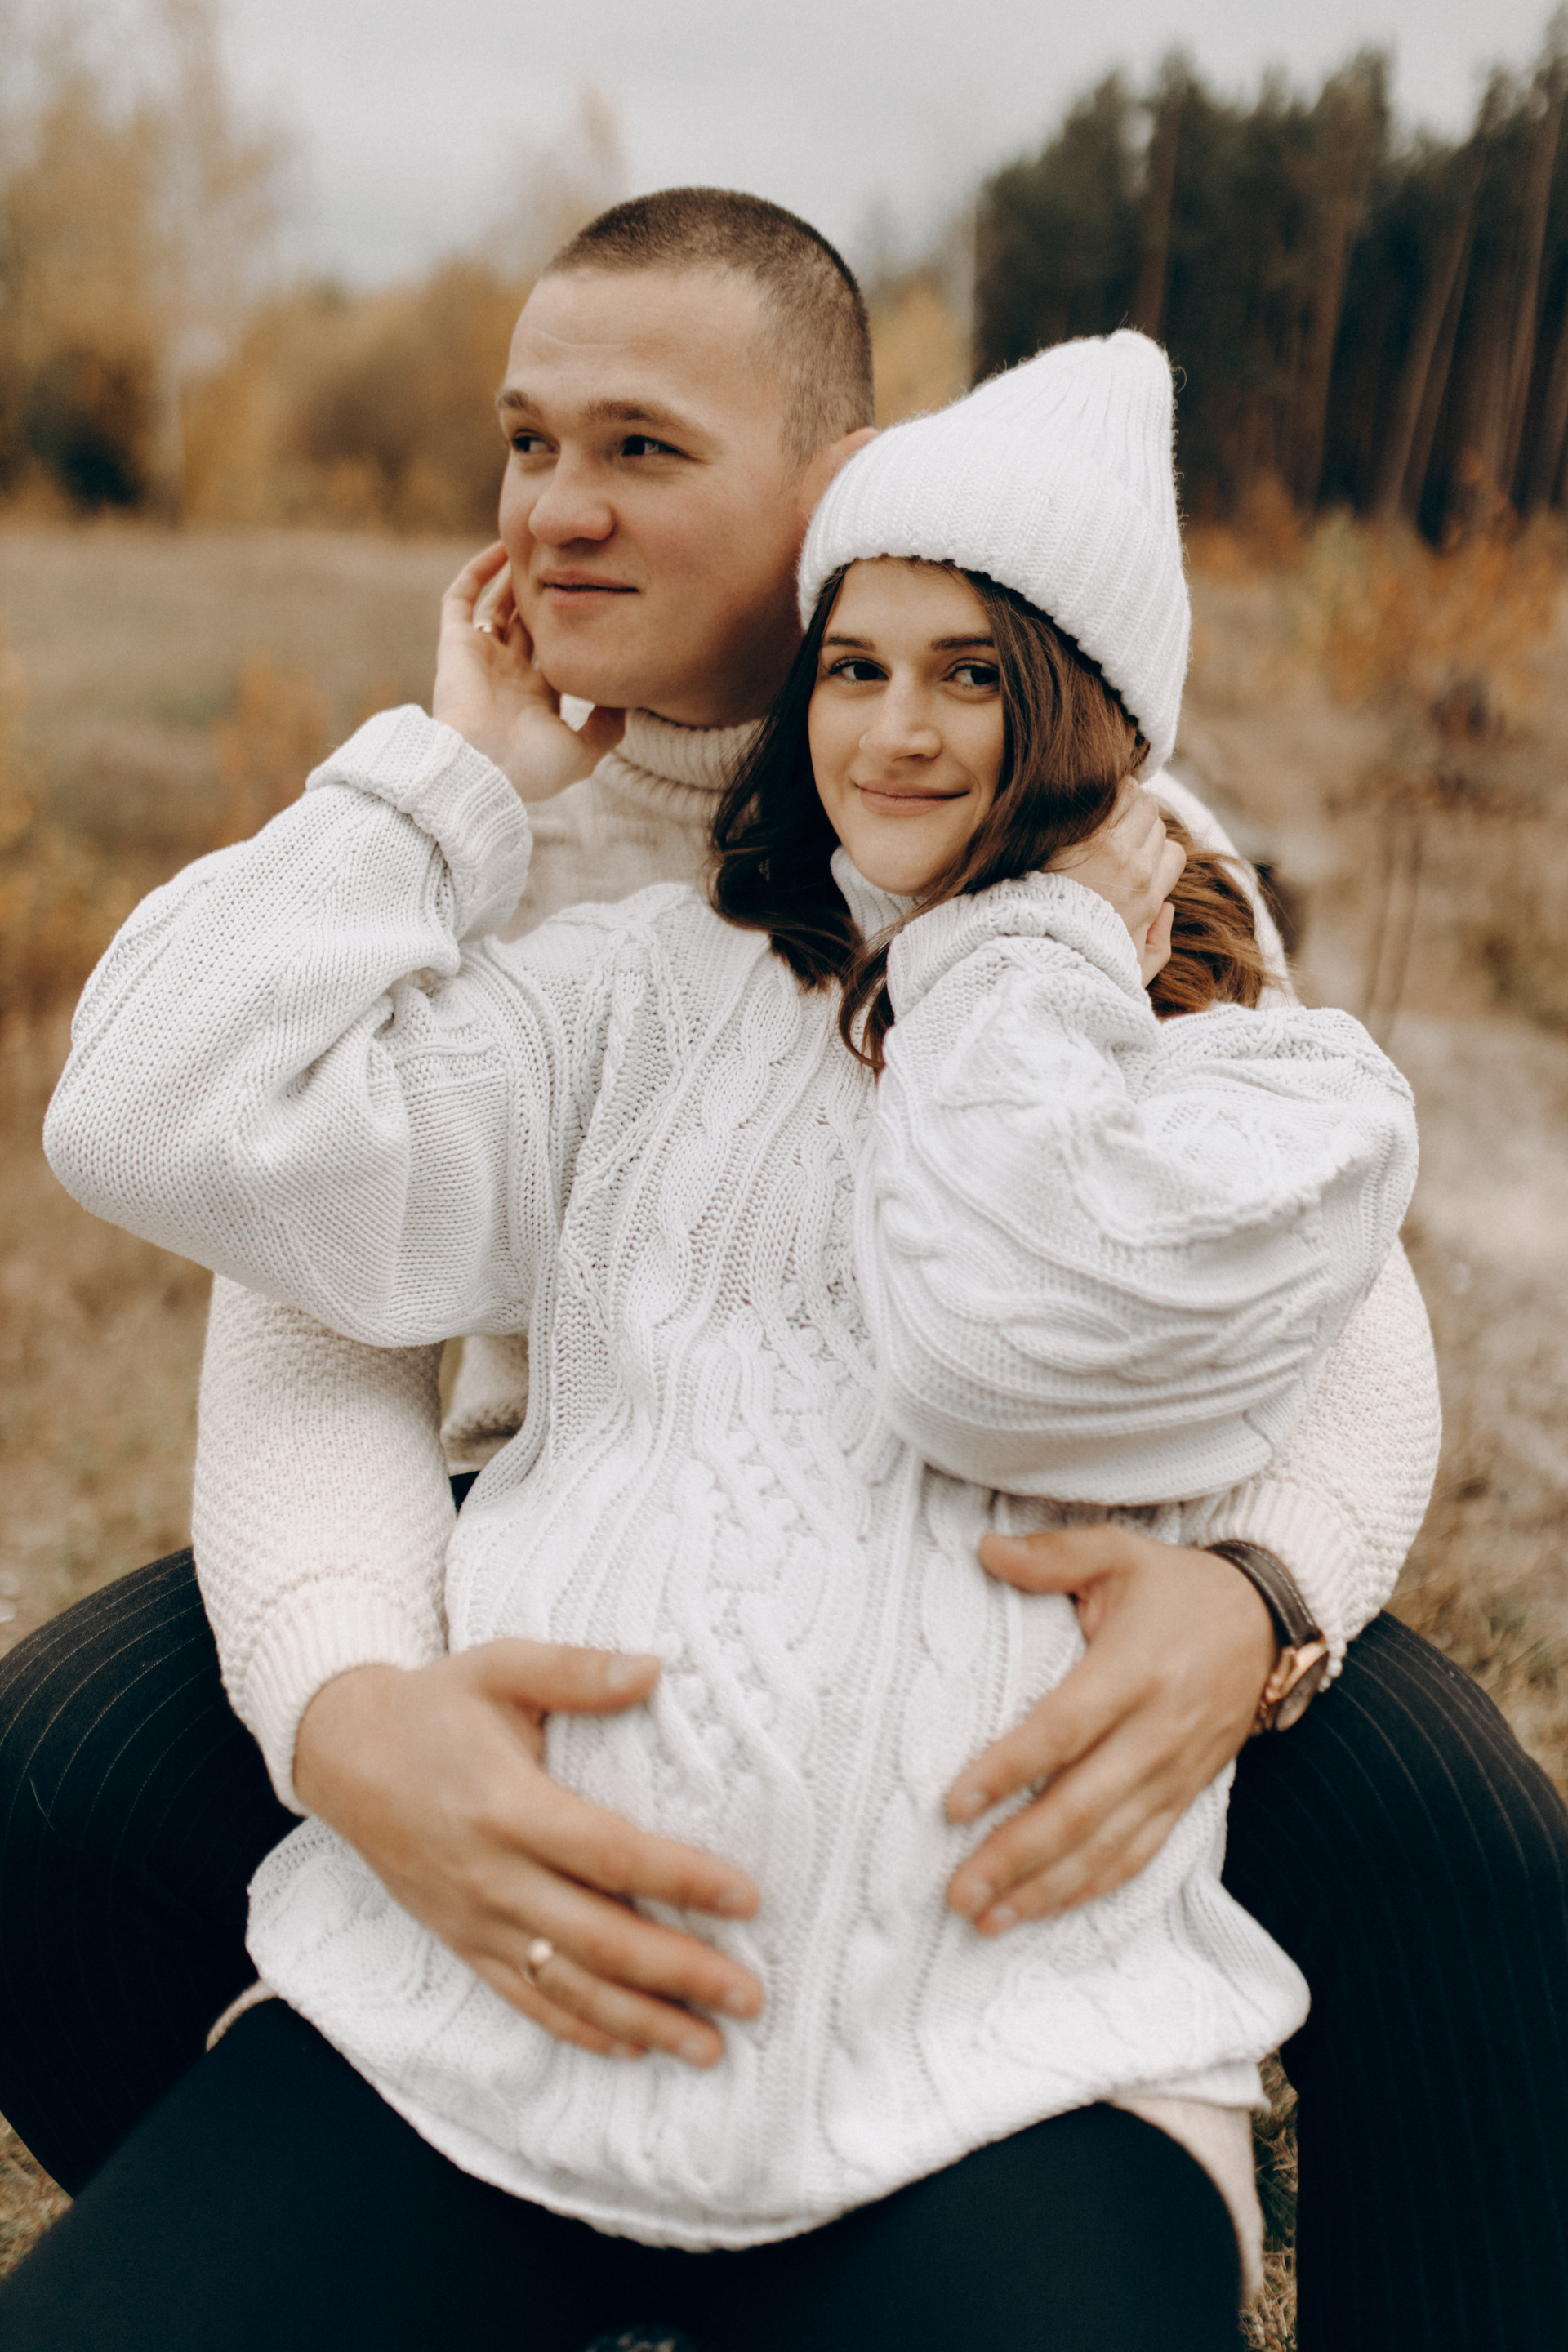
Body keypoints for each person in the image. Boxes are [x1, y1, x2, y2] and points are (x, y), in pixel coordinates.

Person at [1, 192, 1565, 2352]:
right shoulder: (498, 832)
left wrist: (1262, 1592)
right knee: (52, 1775)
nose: (554, 509)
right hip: (564, 1493)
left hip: (1033, 1541)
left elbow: (1324, 1291)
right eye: (527, 441)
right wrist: (350, 1702)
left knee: (1464, 1852)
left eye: (639, 448)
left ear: (840, 487)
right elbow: (305, 1296)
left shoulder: (1089, 813)